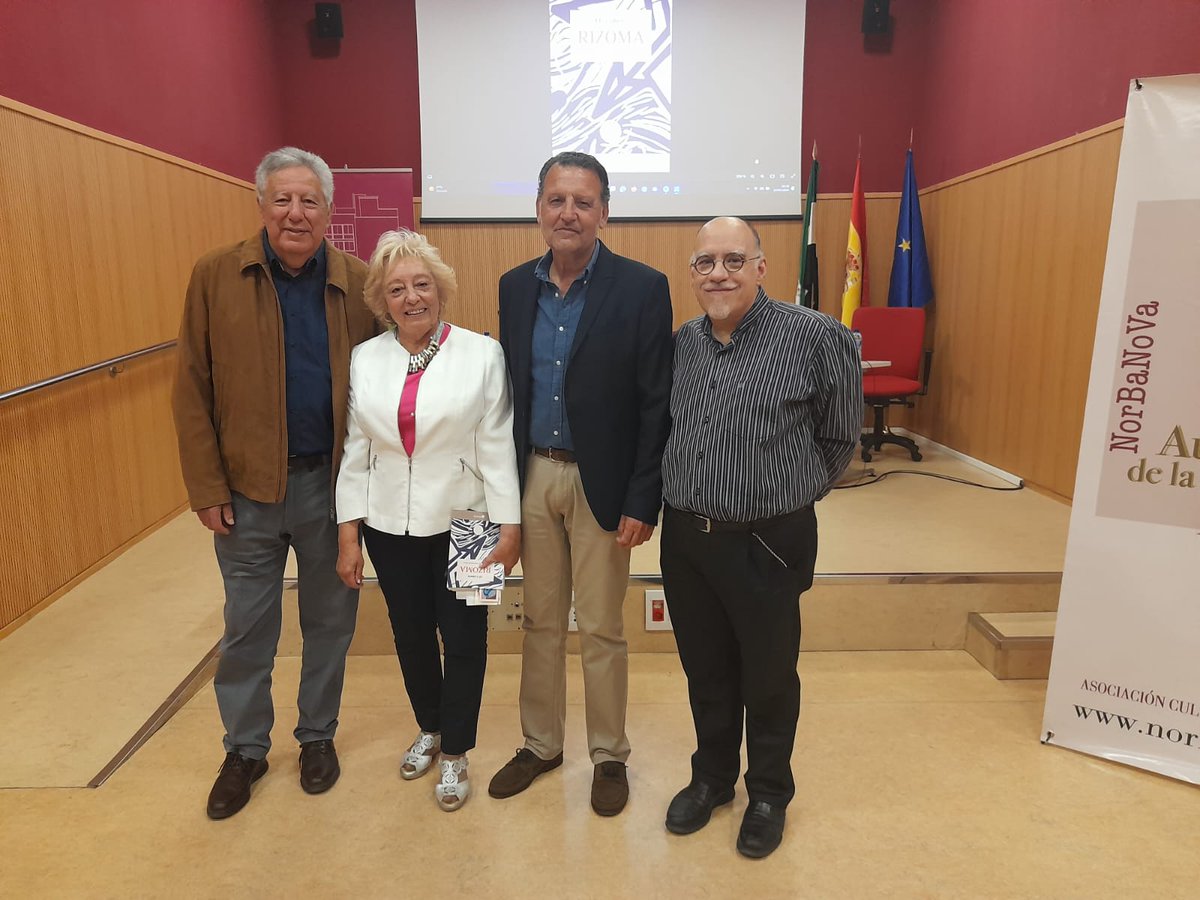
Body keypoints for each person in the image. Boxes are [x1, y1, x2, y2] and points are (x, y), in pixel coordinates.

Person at [172, 147, 378, 819]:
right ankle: (246, 750)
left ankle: (317, 737)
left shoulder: (358, 280)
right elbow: (192, 389)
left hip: (331, 489)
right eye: (282, 199)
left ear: (328, 209)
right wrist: (206, 485)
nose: (295, 213)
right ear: (261, 204)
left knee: (329, 623)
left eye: (309, 200)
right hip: (246, 492)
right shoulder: (215, 276)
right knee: (247, 628)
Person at [660, 217, 862, 858]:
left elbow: (839, 439)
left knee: (769, 675)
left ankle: (769, 791)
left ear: (760, 267)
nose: (718, 273)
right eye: (704, 263)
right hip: (688, 541)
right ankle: (714, 778)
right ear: (692, 272)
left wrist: (783, 497)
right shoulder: (681, 343)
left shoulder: (819, 337)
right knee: (705, 669)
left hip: (768, 540)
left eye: (732, 260)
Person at [488, 152, 673, 816]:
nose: (569, 213)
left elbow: (656, 403)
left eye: (583, 201)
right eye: (556, 199)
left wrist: (641, 497)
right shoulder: (514, 287)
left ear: (604, 211)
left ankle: (609, 754)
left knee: (600, 626)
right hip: (533, 473)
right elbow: (507, 392)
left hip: (605, 483)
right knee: (539, 620)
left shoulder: (643, 287)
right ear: (538, 207)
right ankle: (541, 745)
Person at [335, 229, 521, 812]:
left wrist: (510, 527)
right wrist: (349, 532)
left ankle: (458, 751)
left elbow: (497, 446)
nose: (412, 297)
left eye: (422, 284)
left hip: (470, 521)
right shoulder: (367, 359)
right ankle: (431, 728)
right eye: (397, 289)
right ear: (382, 301)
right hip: (390, 527)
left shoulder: (481, 353)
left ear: (440, 289)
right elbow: (356, 450)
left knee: (466, 640)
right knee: (411, 635)